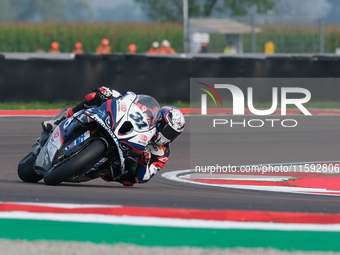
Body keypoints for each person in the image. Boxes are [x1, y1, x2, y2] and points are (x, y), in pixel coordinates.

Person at [41, 87, 185, 187]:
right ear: (160, 120)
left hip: (128, 159)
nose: (168, 137)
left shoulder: (162, 152)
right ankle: (60, 119)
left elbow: (144, 177)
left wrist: (144, 161)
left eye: (173, 135)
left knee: (130, 180)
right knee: (96, 96)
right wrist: (111, 94)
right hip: (120, 130)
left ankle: (94, 166)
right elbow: (130, 102)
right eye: (168, 131)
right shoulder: (148, 112)